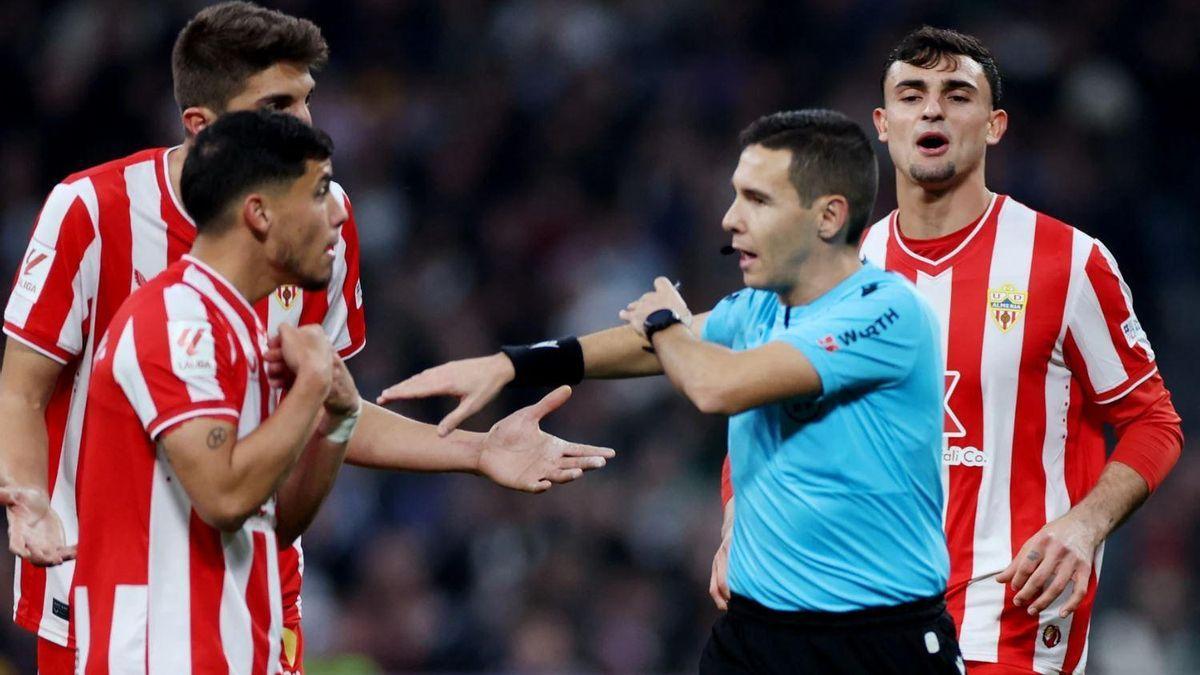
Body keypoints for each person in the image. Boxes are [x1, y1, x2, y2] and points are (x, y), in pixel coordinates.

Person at [0, 3, 612, 674]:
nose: (306, 125)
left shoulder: (320, 220)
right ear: (205, 129)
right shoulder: (96, 212)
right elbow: (22, 388)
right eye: (277, 105)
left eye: (307, 100)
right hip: (107, 599)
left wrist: (476, 448)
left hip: (253, 590)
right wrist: (26, 498)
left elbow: (324, 415)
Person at [383, 109, 965, 673]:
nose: (730, 219)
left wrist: (665, 324)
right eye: (736, 194)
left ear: (829, 217)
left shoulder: (888, 314)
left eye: (757, 200)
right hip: (756, 634)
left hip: (876, 643)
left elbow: (715, 385)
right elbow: (648, 347)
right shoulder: (761, 306)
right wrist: (513, 366)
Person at [716, 27, 1184, 674]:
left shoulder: (1068, 263)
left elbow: (1152, 422)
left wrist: (1084, 525)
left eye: (956, 94)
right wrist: (736, 518)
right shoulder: (835, 274)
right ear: (883, 124)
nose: (932, 109)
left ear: (994, 125)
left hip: (1011, 620)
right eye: (912, 95)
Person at [72, 109, 353, 673]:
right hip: (159, 655)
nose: (340, 213)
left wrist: (336, 422)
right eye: (319, 191)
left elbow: (274, 521)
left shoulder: (243, 328)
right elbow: (224, 497)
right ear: (259, 213)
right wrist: (313, 386)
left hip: (231, 649)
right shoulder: (178, 320)